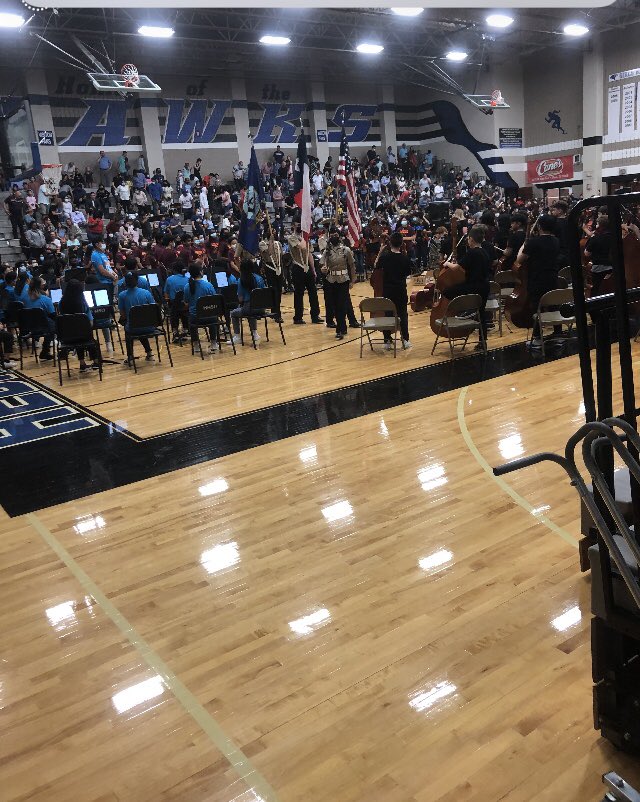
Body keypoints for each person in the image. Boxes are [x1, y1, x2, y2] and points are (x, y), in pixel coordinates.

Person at [443, 224, 491, 349]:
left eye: (468, 239)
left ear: (471, 239)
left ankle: (463, 313)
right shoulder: (485, 252)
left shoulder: (472, 253)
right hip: (485, 286)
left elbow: (456, 268)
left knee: (447, 291)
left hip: (473, 286)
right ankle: (483, 341)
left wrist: (447, 263)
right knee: (481, 313)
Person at [515, 214, 560, 347]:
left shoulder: (533, 242)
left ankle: (537, 337)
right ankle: (558, 334)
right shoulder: (556, 241)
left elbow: (519, 260)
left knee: (536, 308)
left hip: (537, 278)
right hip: (552, 277)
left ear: (539, 226)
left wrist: (523, 246)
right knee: (553, 304)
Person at [376, 231, 412, 348]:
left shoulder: (385, 257)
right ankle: (405, 340)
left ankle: (387, 340)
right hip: (400, 290)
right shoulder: (405, 258)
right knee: (403, 314)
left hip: (388, 291)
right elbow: (408, 273)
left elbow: (376, 266)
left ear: (390, 243)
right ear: (401, 243)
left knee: (388, 314)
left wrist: (380, 251)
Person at [58, 278, 101, 372]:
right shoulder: (83, 303)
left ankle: (82, 363)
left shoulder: (61, 303)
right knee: (88, 338)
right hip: (84, 335)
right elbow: (90, 323)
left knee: (76, 334)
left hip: (67, 337)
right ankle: (96, 361)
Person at [319, 232, 356, 340]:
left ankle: (340, 329)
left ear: (339, 237)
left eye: (335, 236)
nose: (333, 238)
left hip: (343, 280)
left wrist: (353, 280)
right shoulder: (327, 251)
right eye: (332, 236)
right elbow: (322, 264)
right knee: (334, 305)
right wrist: (323, 269)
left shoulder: (346, 250)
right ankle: (342, 327)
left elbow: (352, 265)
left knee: (342, 305)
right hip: (331, 280)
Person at [118, 271, 156, 366]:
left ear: (125, 283)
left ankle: (130, 357)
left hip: (133, 328)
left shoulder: (122, 295)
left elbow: (123, 315)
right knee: (140, 323)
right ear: (137, 281)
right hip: (150, 327)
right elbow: (154, 309)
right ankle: (149, 353)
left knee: (130, 327)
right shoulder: (146, 293)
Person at [288, 224, 323, 324]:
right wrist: (305, 238)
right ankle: (298, 317)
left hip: (308, 268)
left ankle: (315, 316)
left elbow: (309, 254)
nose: (300, 226)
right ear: (294, 225)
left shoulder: (305, 237)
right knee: (299, 293)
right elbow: (301, 246)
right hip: (298, 267)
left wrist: (313, 270)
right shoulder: (291, 238)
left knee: (313, 292)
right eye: (298, 224)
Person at [181, 263, 219, 353]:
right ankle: (213, 343)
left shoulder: (187, 287)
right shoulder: (208, 285)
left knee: (190, 319)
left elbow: (186, 303)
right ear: (201, 272)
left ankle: (196, 345)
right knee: (212, 315)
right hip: (210, 317)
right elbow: (215, 300)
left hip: (196, 318)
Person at [230, 258, 266, 344]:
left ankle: (237, 336)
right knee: (251, 309)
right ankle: (255, 334)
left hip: (249, 308)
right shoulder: (260, 278)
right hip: (261, 308)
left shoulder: (241, 280)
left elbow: (240, 299)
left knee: (234, 313)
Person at [23, 275, 56, 362]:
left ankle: (45, 349)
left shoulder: (24, 299)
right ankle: (47, 350)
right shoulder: (46, 299)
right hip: (43, 327)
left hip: (29, 326)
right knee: (56, 324)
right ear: (41, 286)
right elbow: (53, 315)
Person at [584, 214, 612, 296]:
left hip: (599, 268)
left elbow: (587, 253)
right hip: (613, 268)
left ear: (600, 225)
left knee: (596, 289)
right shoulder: (615, 236)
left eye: (597, 224)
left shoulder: (596, 238)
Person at [258, 233, 283, 322]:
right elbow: (269, 252)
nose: (274, 232)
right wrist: (271, 243)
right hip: (270, 267)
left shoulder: (278, 243)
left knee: (279, 291)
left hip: (279, 267)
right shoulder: (262, 244)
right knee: (273, 290)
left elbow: (281, 255)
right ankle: (276, 314)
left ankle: (276, 311)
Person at [164, 262, 189, 342]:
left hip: (175, 307)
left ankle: (175, 332)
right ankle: (185, 329)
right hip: (187, 306)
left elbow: (166, 293)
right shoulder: (188, 279)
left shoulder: (169, 279)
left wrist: (167, 301)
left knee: (173, 308)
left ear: (174, 270)